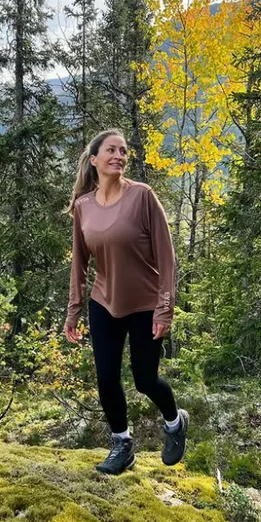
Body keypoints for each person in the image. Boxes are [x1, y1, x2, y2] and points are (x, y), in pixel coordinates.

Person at [64, 128, 189, 475]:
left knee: (145, 380)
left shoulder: (142, 196)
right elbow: (79, 262)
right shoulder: (83, 206)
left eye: (123, 151)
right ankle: (122, 445)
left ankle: (175, 421)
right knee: (106, 379)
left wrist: (165, 308)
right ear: (94, 160)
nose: (119, 156)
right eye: (111, 150)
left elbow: (166, 257)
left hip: (146, 304)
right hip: (103, 302)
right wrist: (74, 311)